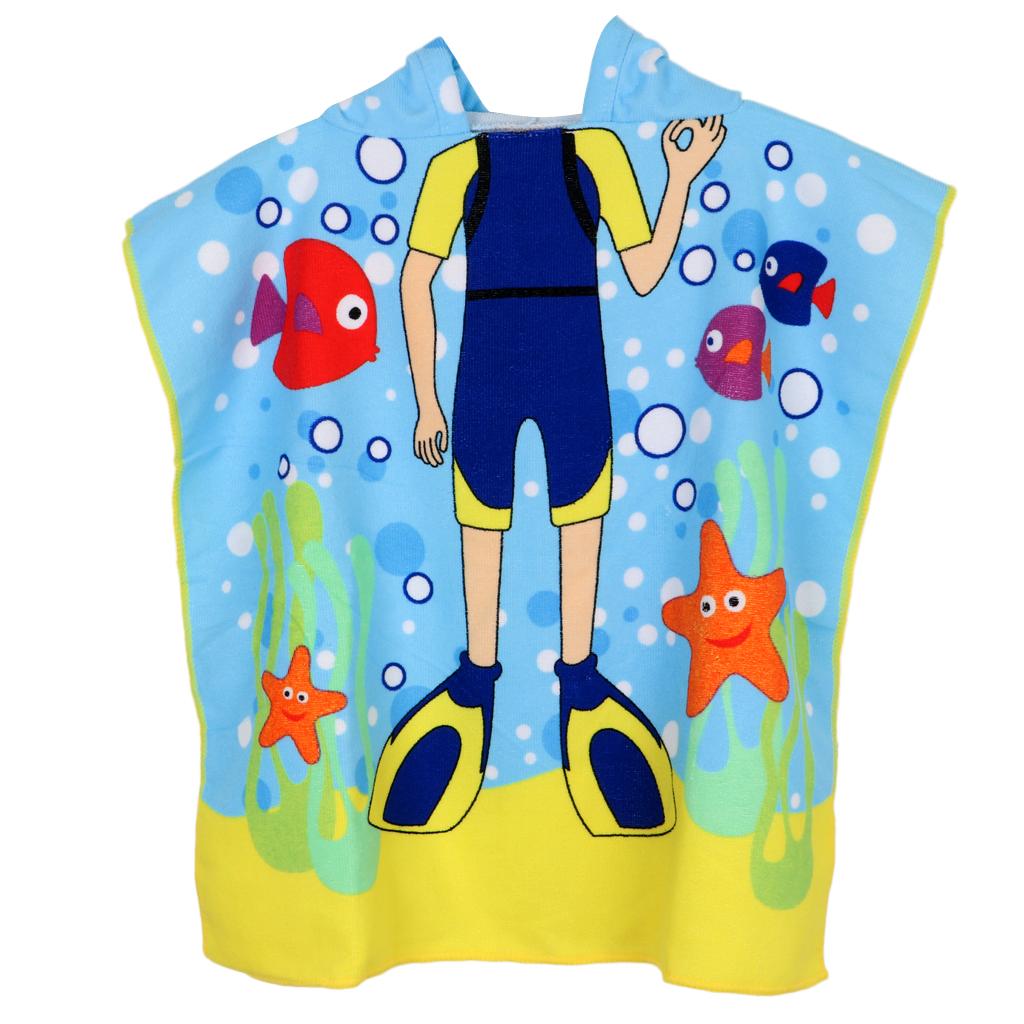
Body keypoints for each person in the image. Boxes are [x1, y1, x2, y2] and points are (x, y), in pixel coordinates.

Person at [368, 116, 727, 836]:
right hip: (488, 376)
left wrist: (680, 176)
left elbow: (644, 271)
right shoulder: (454, 167)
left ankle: (580, 683)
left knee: (581, 512)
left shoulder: (599, 153)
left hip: (573, 374)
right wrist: (426, 402)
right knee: (481, 515)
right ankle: (475, 682)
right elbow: (414, 278)